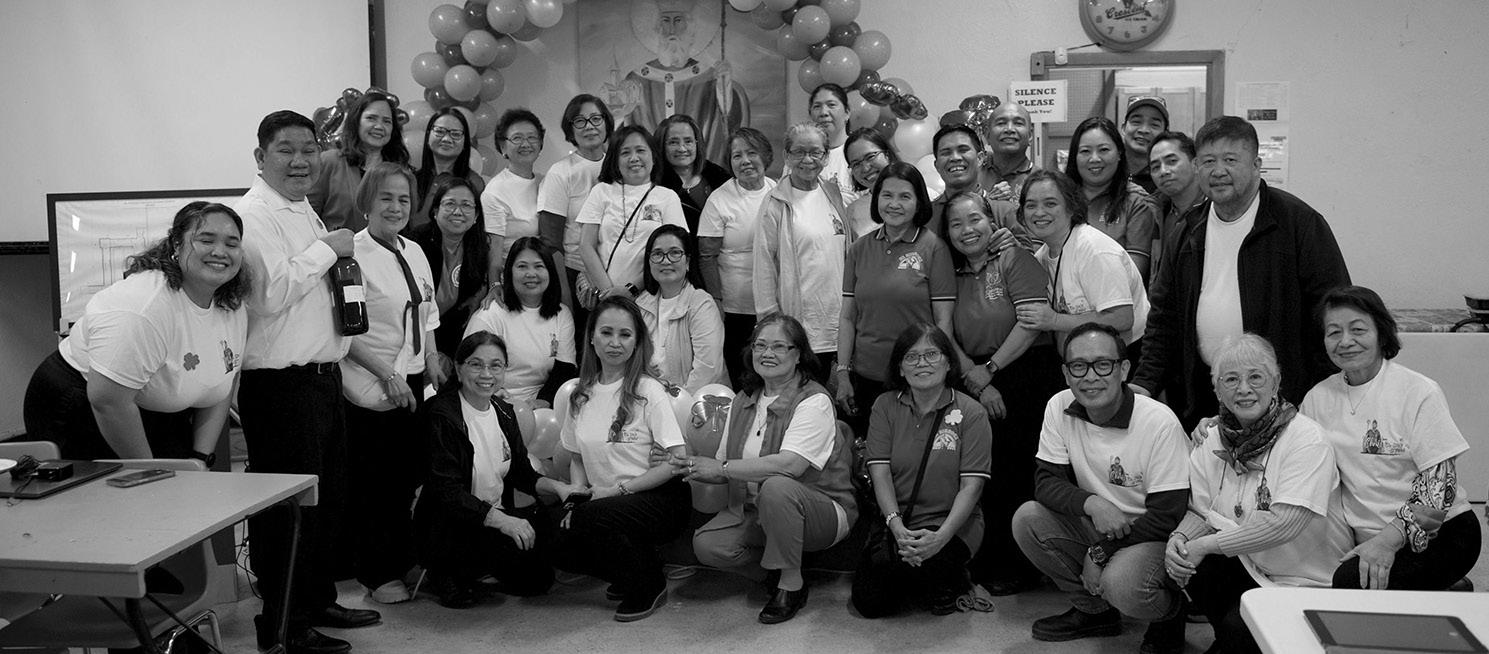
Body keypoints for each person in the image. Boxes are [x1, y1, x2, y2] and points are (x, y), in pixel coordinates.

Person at [235, 110, 378, 654]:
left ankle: (316, 599)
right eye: (286, 150)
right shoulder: (253, 214)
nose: (301, 161)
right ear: (260, 157)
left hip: (321, 378)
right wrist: (329, 248)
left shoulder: (301, 207)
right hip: (281, 387)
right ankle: (282, 625)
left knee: (327, 501)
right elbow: (268, 294)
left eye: (309, 149)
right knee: (289, 511)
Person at [1132, 115, 1351, 430]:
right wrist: (1145, 382)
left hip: (1284, 400)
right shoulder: (1187, 230)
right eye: (1208, 161)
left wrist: (1320, 391)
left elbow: (1332, 311)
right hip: (1205, 397)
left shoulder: (1297, 223)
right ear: (1197, 167)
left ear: (1256, 165)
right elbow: (1164, 316)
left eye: (1230, 160)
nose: (1218, 171)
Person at [1165, 334, 1351, 654]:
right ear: (1217, 390)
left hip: (1306, 579)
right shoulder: (1211, 440)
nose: (1244, 389)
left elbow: (1284, 524)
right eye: (1231, 379)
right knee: (1192, 566)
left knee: (1241, 627)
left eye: (1255, 377)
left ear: (1276, 382)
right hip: (1251, 566)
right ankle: (1228, 640)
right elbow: (1202, 512)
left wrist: (1204, 545)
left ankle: (1236, 639)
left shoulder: (1306, 439)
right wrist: (1179, 540)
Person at [1012, 323, 1189, 653]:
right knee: (1028, 519)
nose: (1090, 376)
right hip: (1103, 525)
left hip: (1154, 535)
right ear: (1066, 373)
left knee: (1120, 582)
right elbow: (1046, 482)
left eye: (1103, 364)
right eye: (1079, 366)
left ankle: (1171, 614)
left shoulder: (1158, 422)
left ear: (1124, 369)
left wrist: (1100, 552)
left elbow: (1169, 515)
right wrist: (1092, 503)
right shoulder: (1059, 406)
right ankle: (1095, 612)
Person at [24, 201, 248, 462]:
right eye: (206, 240)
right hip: (84, 403)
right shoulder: (143, 307)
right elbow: (107, 401)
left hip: (152, 404)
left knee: (181, 478)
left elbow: (223, 379)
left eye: (232, 244)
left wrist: (200, 458)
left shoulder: (232, 304)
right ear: (177, 245)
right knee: (131, 485)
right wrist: (148, 472)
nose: (220, 252)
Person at [1301, 286, 1481, 590]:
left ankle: (1451, 588)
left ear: (1381, 334)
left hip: (1441, 531)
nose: (1345, 341)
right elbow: (1295, 451)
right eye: (1334, 332)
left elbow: (1440, 486)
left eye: (1358, 330)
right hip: (1367, 534)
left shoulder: (1417, 391)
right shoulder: (1318, 398)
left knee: (1348, 583)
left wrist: (1387, 541)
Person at [682, 314, 857, 624]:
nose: (767, 353)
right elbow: (724, 465)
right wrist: (688, 465)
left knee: (777, 486)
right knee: (708, 546)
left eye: (778, 346)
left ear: (799, 354)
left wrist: (722, 467)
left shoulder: (814, 400)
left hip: (822, 510)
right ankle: (774, 573)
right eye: (760, 345)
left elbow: (791, 465)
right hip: (757, 511)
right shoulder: (742, 400)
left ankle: (791, 585)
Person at [938, 190, 1061, 594]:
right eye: (956, 224)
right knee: (983, 471)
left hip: (1023, 371)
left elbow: (1030, 322)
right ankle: (990, 559)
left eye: (974, 219)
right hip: (971, 374)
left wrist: (990, 371)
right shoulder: (949, 271)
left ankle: (1024, 565)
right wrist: (973, 374)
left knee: (1017, 469)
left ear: (992, 222)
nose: (967, 230)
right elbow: (944, 330)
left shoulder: (1014, 259)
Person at [414, 332, 581, 609]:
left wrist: (560, 488)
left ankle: (485, 565)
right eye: (476, 364)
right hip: (453, 526)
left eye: (495, 366)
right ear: (458, 368)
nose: (486, 374)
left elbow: (522, 474)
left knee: (538, 580)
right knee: (473, 593)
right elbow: (448, 493)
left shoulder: (503, 411)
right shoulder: (441, 415)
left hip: (493, 518)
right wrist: (504, 521)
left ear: (505, 370)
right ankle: (444, 570)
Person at [337, 163, 440, 605]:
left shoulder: (414, 250)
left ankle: (403, 557)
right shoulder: (352, 256)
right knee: (374, 484)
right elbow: (345, 331)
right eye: (386, 198)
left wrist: (431, 358)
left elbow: (427, 312)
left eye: (403, 199)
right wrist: (387, 374)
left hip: (411, 379)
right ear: (367, 202)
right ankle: (376, 573)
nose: (396, 207)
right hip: (371, 382)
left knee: (406, 478)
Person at [552, 295, 689, 622]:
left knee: (592, 518)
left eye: (625, 335)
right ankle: (629, 570)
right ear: (591, 337)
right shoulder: (580, 395)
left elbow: (676, 461)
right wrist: (576, 496)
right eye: (607, 333)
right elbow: (576, 457)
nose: (615, 343)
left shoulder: (648, 390)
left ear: (637, 342)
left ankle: (648, 583)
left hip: (658, 498)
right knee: (550, 531)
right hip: (602, 500)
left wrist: (615, 492)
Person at [852, 324, 992, 618]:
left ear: (949, 363)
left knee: (928, 571)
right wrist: (896, 526)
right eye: (911, 357)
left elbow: (972, 487)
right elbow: (880, 474)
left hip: (952, 525)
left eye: (931, 354)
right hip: (899, 520)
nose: (922, 363)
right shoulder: (884, 406)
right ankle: (925, 577)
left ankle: (949, 577)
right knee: (869, 603)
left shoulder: (972, 412)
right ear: (900, 369)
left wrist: (941, 537)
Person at [836, 162, 956, 438]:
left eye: (905, 196)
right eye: (887, 195)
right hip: (866, 376)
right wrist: (843, 372)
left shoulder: (934, 248)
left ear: (919, 202)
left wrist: (938, 374)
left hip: (919, 375)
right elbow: (848, 317)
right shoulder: (859, 249)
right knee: (870, 451)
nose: (894, 204)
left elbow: (944, 321)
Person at [1014, 170, 1149, 362]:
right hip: (1083, 359)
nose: (1039, 212)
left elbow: (1122, 318)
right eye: (1030, 205)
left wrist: (1055, 320)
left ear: (1071, 207)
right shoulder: (1042, 256)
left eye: (1050, 204)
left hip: (1129, 356)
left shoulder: (1094, 250)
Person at [754, 122, 854, 369]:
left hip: (839, 324)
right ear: (787, 156)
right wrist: (771, 322)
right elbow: (764, 265)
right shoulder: (775, 202)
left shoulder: (833, 193)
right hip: (799, 329)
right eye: (799, 152)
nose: (807, 159)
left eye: (815, 152)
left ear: (826, 156)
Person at [616, 0, 749, 165]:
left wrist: (724, 89)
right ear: (656, 28)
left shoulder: (709, 76)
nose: (672, 30)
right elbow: (626, 129)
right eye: (665, 21)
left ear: (691, 30)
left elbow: (727, 124)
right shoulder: (637, 79)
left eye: (678, 21)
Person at [697, 126, 776, 387]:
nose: (745, 161)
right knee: (742, 374)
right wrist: (717, 301)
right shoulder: (719, 199)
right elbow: (706, 256)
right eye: (737, 156)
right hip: (734, 307)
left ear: (765, 156)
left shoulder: (777, 192)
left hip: (773, 302)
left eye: (751, 153)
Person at [576, 124, 687, 303]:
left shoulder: (667, 197)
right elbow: (586, 246)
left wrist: (631, 289)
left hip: (652, 296)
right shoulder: (601, 191)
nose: (634, 158)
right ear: (615, 160)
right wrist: (610, 294)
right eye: (625, 152)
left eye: (640, 150)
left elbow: (674, 251)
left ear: (654, 157)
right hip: (607, 298)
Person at [463, 237, 577, 407]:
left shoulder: (562, 314)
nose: (531, 274)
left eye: (539, 266)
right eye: (522, 266)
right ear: (509, 272)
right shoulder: (491, 314)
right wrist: (494, 395)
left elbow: (565, 369)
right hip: (493, 399)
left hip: (541, 405)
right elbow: (469, 366)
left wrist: (542, 401)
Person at [538, 94, 611, 312]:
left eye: (596, 119)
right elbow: (551, 242)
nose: (589, 126)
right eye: (580, 121)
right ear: (570, 130)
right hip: (578, 275)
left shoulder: (619, 165)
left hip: (619, 269)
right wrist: (565, 294)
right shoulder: (560, 173)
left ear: (607, 122)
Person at [408, 176, 492, 362]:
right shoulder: (416, 243)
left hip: (448, 342)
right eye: (450, 204)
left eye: (466, 205)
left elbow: (463, 310)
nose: (458, 211)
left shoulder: (478, 247)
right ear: (435, 211)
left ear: (476, 216)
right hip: (411, 336)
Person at [635, 225, 725, 393]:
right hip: (648, 396)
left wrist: (677, 403)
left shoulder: (701, 304)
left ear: (688, 261)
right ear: (649, 262)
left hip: (692, 400)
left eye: (675, 253)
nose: (666, 260)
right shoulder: (641, 304)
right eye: (657, 254)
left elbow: (708, 369)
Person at [1065, 117, 1159, 277]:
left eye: (1103, 150)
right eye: (1085, 151)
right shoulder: (1060, 197)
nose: (1094, 159)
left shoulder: (1136, 202)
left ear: (1119, 154)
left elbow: (1133, 273)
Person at [309, 89, 410, 233]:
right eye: (371, 118)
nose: (379, 126)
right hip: (336, 246)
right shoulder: (329, 161)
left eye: (387, 121)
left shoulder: (399, 170)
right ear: (356, 121)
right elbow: (308, 216)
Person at [929, 124, 1025, 245]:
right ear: (937, 165)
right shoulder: (927, 216)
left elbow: (1032, 254)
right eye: (946, 153)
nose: (955, 158)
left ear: (980, 158)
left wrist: (1015, 248)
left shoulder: (1006, 211)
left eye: (963, 150)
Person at [482, 108, 546, 266]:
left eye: (532, 137)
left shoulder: (545, 182)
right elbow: (494, 251)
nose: (526, 144)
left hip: (544, 269)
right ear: (503, 146)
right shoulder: (495, 191)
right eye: (517, 138)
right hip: (513, 272)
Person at [654, 113, 731, 235]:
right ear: (661, 146)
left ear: (697, 144)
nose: (682, 148)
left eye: (688, 141)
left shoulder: (719, 176)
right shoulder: (654, 184)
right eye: (673, 142)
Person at [1146, 131, 1206, 281]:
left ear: (1195, 163)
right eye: (1155, 167)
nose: (1163, 171)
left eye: (1172, 161)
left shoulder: (1216, 209)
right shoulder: (1154, 212)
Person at [413, 107, 485, 229]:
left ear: (465, 143)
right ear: (428, 136)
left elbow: (477, 229)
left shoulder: (473, 182)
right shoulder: (413, 180)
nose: (446, 139)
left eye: (455, 134)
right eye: (440, 131)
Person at [800, 83, 854, 200]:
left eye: (831, 105)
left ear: (847, 112)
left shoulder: (858, 151)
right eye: (817, 106)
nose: (823, 112)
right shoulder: (799, 156)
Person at [841, 128, 898, 237]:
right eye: (856, 164)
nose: (865, 168)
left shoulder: (922, 194)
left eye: (870, 157)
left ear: (887, 154)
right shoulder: (852, 213)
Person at [978, 102, 1035, 199]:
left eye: (1018, 123)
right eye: (1001, 123)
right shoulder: (973, 174)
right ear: (987, 135)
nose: (1009, 129)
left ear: (1030, 135)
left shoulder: (1040, 181)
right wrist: (986, 201)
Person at [1122, 96, 1169, 195]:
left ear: (1165, 133)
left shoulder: (1168, 177)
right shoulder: (1108, 170)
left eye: (1154, 125)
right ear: (1123, 129)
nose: (1144, 130)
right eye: (1136, 122)